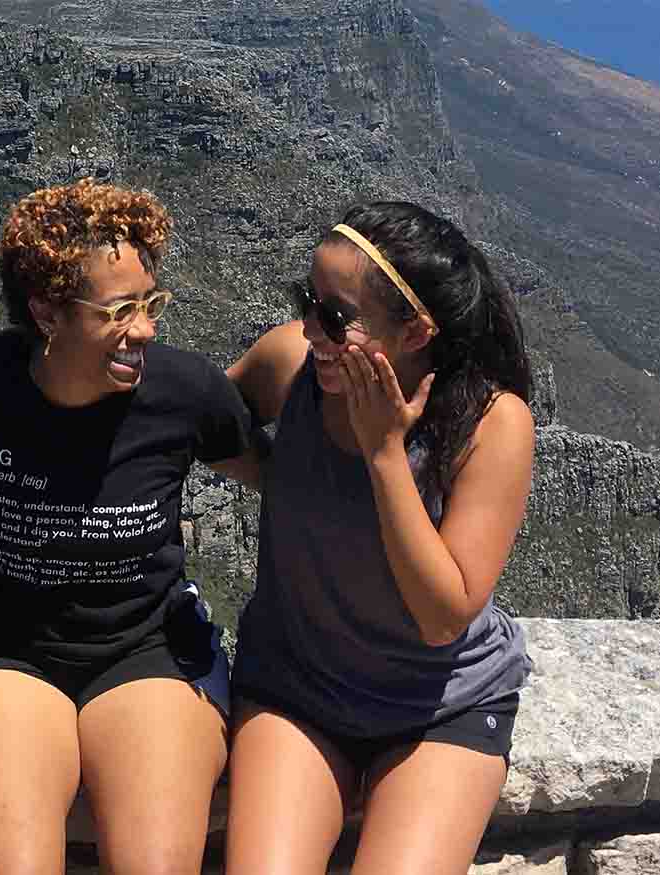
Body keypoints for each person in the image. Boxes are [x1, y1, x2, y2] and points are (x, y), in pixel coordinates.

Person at [0, 178, 258, 875]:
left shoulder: (185, 393)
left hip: (149, 647)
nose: (146, 328)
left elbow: (288, 480)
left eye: (152, 303)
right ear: (47, 312)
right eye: (120, 310)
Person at [221, 201, 536, 875]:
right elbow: (201, 421)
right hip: (297, 687)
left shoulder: (490, 425)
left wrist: (385, 454)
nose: (308, 329)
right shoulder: (290, 366)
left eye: (333, 317)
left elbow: (443, 613)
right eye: (306, 300)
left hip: (440, 703)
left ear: (416, 331)